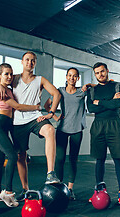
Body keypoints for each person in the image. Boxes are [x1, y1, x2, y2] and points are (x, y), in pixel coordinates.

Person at [0, 51, 61, 201]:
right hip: (17, 121)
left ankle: (50, 172)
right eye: (27, 60)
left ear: (35, 63)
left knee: (50, 129)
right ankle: (24, 189)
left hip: (35, 118)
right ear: (22, 62)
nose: (30, 62)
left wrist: (51, 111)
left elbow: (57, 94)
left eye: (33, 60)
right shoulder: (13, 79)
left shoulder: (40, 79)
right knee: (19, 156)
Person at [0, 63, 41, 207]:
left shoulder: (9, 89)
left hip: (4, 127)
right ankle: (8, 192)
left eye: (11, 74)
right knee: (12, 156)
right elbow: (17, 107)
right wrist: (37, 107)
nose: (10, 77)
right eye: (6, 74)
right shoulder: (1, 91)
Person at [44, 67, 93, 200]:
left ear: (78, 78)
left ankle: (70, 189)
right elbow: (47, 106)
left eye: (75, 76)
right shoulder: (59, 92)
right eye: (70, 75)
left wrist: (87, 85)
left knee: (73, 159)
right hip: (62, 129)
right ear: (66, 77)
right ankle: (59, 187)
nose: (72, 78)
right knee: (59, 159)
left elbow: (97, 86)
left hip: (77, 129)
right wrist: (54, 117)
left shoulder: (82, 92)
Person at [86, 62, 120, 205]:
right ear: (95, 74)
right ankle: (99, 190)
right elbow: (91, 108)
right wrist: (109, 101)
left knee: (118, 158)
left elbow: (118, 104)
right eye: (97, 73)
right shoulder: (92, 90)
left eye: (102, 71)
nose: (100, 75)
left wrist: (100, 102)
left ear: (107, 71)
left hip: (114, 124)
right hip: (98, 126)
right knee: (99, 159)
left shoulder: (118, 86)